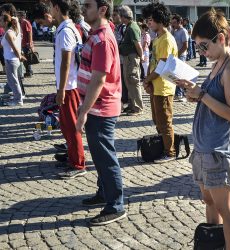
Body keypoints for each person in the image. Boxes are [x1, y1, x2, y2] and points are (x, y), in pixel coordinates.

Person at [175, 9, 230, 250]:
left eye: (204, 46)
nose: (202, 52)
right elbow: (213, 100)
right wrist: (194, 92)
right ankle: (214, 244)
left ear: (222, 38)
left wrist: (202, 95)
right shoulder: (218, 64)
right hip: (205, 146)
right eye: (199, 48)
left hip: (220, 150)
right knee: (208, 200)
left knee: (226, 208)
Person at [76, 0, 126, 225]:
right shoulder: (96, 34)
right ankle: (104, 192)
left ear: (103, 9)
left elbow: (99, 78)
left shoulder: (103, 39)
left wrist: (83, 111)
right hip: (97, 105)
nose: (83, 9)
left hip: (101, 107)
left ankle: (116, 205)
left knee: (106, 157)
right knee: (99, 155)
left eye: (87, 5)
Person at [38, 0, 87, 179]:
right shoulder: (68, 28)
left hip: (69, 86)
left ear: (57, 8)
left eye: (51, 7)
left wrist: (61, 90)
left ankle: (78, 164)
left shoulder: (66, 31)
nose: (50, 10)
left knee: (71, 126)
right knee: (67, 125)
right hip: (68, 85)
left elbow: (67, 62)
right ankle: (74, 157)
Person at [142, 2, 178, 164]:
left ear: (160, 20)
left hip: (164, 86)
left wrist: (147, 80)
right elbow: (153, 63)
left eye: (151, 19)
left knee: (164, 121)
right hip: (156, 85)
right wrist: (148, 81)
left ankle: (170, 152)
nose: (148, 23)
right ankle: (163, 148)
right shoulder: (158, 39)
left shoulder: (166, 40)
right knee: (158, 120)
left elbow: (162, 66)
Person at [118, 5, 143, 116]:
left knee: (133, 81)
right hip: (128, 57)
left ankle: (137, 107)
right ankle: (132, 105)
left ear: (124, 17)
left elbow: (137, 45)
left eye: (120, 16)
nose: (119, 18)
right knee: (129, 81)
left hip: (132, 57)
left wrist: (141, 57)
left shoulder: (132, 27)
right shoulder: (129, 26)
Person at [0, 14, 25, 106]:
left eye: (1, 20)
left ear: (6, 22)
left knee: (13, 81)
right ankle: (17, 97)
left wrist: (20, 56)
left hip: (11, 60)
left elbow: (14, 48)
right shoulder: (8, 32)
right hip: (9, 59)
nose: (0, 22)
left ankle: (18, 99)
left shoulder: (9, 33)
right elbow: (2, 45)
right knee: (12, 81)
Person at [171, 14, 189, 102]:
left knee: (179, 75)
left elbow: (185, 45)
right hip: (175, 55)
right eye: (172, 23)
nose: (172, 24)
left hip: (181, 55)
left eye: (174, 23)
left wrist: (177, 54)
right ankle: (177, 92)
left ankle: (180, 94)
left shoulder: (183, 31)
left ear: (179, 22)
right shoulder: (174, 31)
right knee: (175, 75)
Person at [18, 11, 34, 78]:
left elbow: (29, 33)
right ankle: (29, 71)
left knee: (27, 58)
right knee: (26, 57)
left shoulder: (25, 22)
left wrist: (30, 43)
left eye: (18, 15)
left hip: (26, 43)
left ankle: (29, 71)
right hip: (23, 43)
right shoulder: (22, 22)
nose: (18, 17)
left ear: (22, 16)